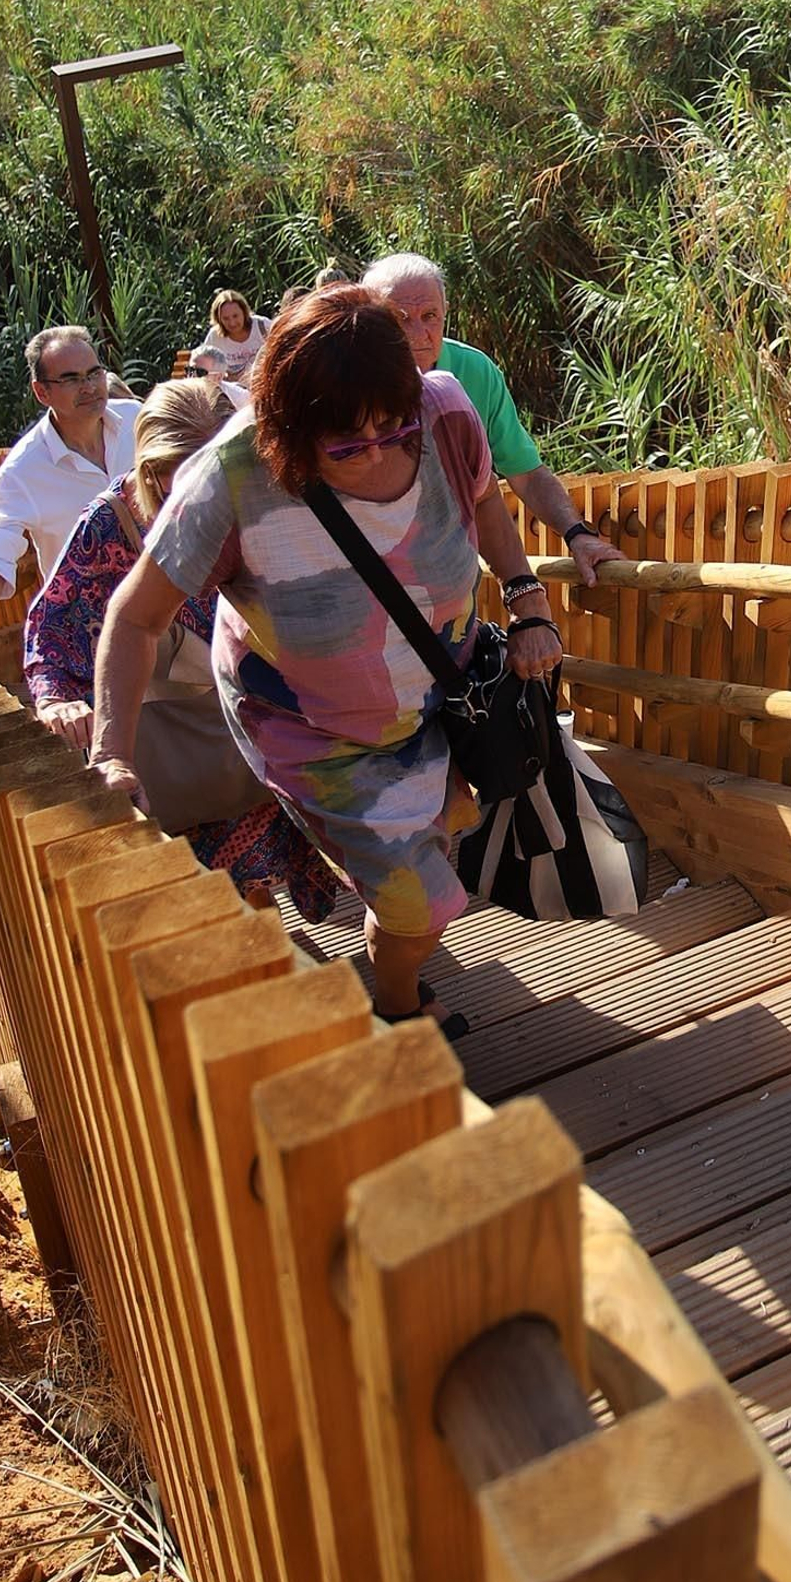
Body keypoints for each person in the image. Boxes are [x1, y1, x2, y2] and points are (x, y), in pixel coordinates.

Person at [89, 287, 564, 1027]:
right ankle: (403, 1007)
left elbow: (489, 507)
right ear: (289, 431)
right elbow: (134, 616)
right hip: (310, 727)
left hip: (437, 697)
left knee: (425, 863)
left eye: (393, 429)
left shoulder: (443, 414)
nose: (376, 452)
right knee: (425, 902)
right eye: (345, 445)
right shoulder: (232, 476)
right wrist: (110, 753)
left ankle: (397, 969)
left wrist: (526, 593)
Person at [24, 379, 338, 920]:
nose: (203, 492)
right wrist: (57, 700)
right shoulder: (109, 526)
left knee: (262, 889)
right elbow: (50, 629)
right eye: (183, 476)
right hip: (183, 752)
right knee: (213, 905)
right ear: (150, 472)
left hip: (262, 731)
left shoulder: (257, 492)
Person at [362, 253, 626, 589]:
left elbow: (527, 474)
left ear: (445, 315)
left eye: (430, 316)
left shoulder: (477, 372)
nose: (418, 333)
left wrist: (577, 535)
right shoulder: (348, 381)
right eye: (400, 319)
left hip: (450, 576)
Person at [0, 326, 140, 674]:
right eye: (71, 379)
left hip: (169, 614)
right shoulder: (23, 471)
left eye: (94, 373)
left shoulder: (137, 420)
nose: (88, 386)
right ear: (41, 392)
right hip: (91, 642)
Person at [197, 290, 271, 382]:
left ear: (244, 312)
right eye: (226, 318)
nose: (232, 323)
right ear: (219, 319)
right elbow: (204, 369)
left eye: (235, 316)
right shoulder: (215, 337)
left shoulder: (263, 326)